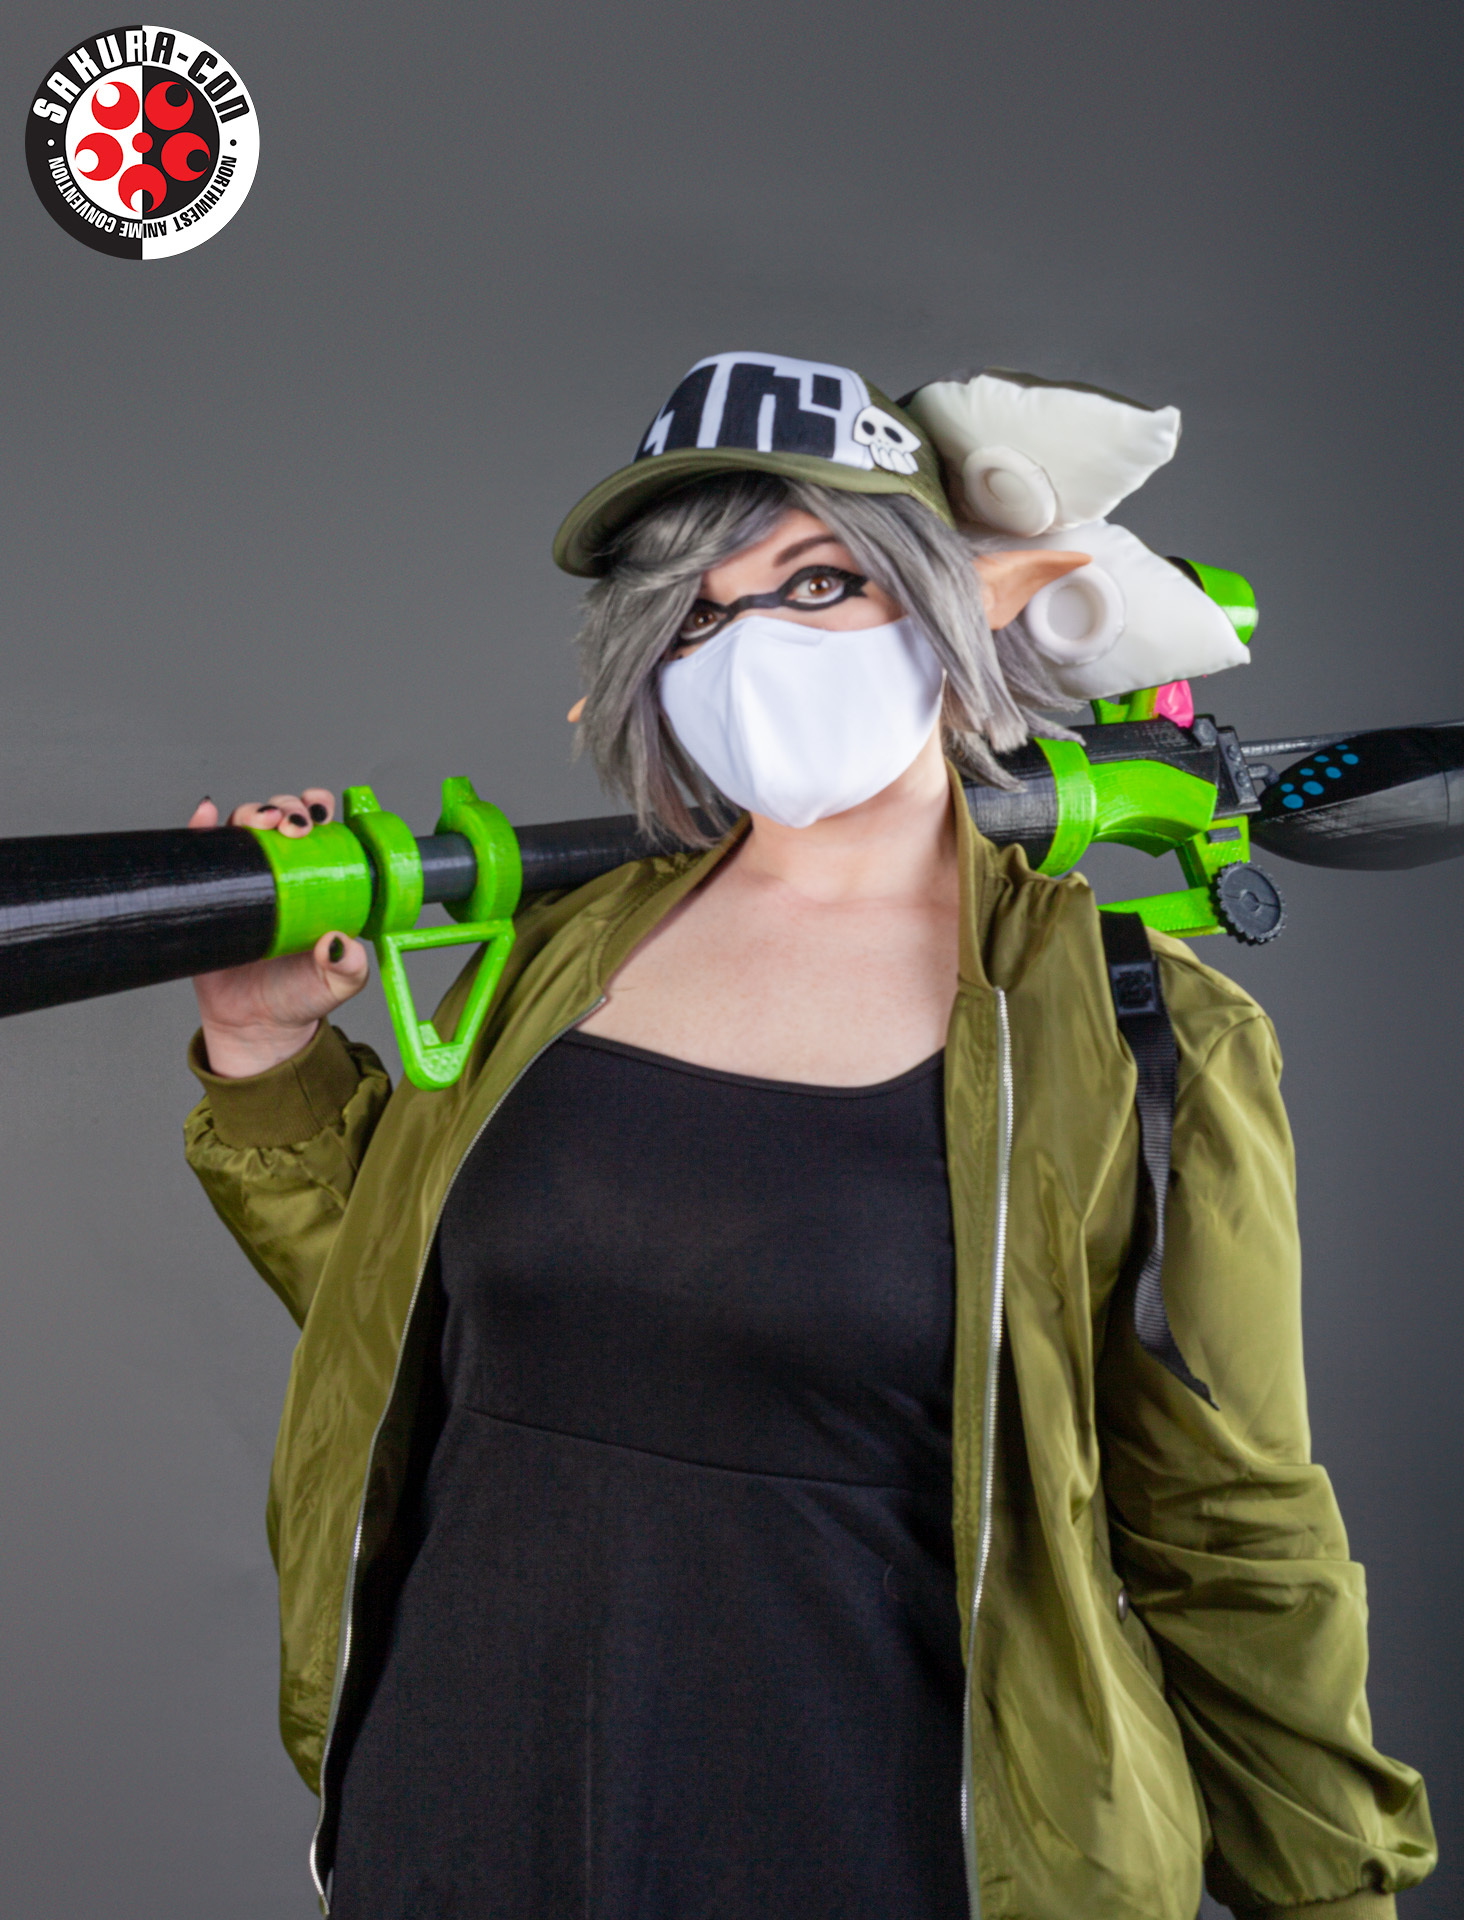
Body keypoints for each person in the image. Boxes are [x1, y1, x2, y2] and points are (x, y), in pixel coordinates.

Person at [184, 352, 1434, 1920]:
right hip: (464, 1821)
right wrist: (268, 1050)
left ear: (949, 604)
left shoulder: (1124, 1030)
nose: (751, 644)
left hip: (877, 1842)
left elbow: (1229, 1530)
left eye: (820, 581)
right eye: (697, 613)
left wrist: (1330, 1897)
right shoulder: (553, 955)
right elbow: (429, 1342)